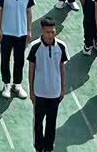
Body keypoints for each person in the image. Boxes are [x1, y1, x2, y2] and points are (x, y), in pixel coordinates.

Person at [28, 17, 68, 152]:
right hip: (39, 93)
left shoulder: (61, 46)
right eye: (48, 32)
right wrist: (31, 91)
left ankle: (49, 148)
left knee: (51, 124)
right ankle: (39, 148)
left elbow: (62, 67)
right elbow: (31, 69)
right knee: (38, 124)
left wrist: (62, 89)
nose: (51, 35)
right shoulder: (35, 47)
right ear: (42, 31)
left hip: (55, 93)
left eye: (53, 32)